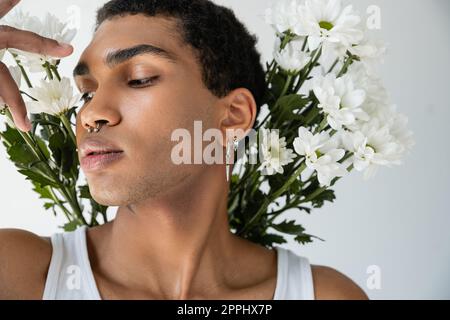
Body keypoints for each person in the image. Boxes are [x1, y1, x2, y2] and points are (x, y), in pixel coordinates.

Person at [0, 0, 368, 300]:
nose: (91, 114)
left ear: (232, 117)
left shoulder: (323, 295)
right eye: (87, 93)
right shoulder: (18, 273)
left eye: (140, 78)